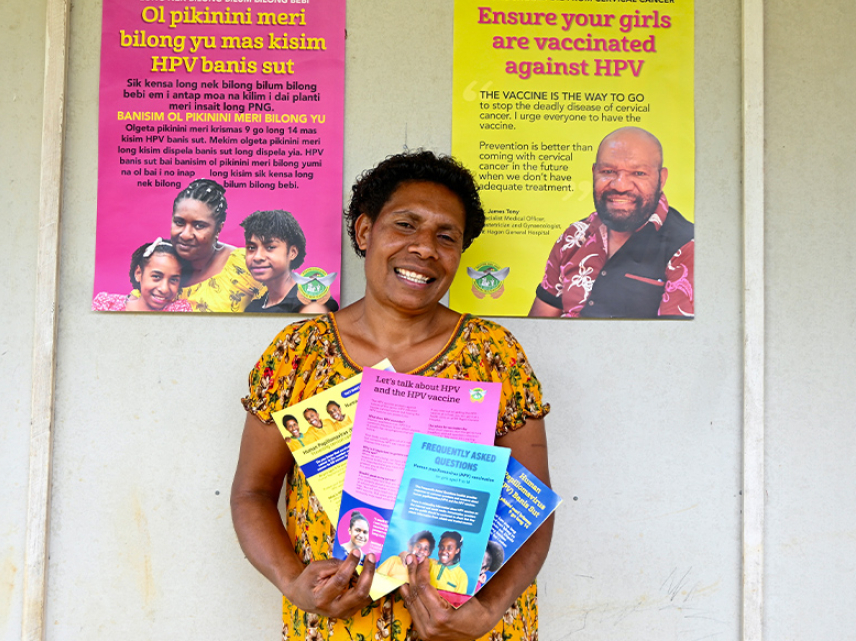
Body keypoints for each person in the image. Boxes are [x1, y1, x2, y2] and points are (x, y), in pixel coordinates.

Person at [232, 150, 552, 641]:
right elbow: (253, 492)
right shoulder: (298, 353)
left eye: (447, 236)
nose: (425, 248)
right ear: (364, 232)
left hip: (465, 629)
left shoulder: (493, 354)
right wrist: (292, 582)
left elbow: (532, 509)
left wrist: (487, 612)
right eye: (406, 225)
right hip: (336, 626)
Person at [529, 126, 694, 319]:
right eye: (608, 171)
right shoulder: (574, 237)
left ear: (662, 178)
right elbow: (539, 330)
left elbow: (674, 343)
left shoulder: (687, 247)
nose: (620, 185)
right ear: (594, 173)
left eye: (638, 173)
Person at [170, 179, 263, 312]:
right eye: (179, 222)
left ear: (218, 229)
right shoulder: (161, 262)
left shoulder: (244, 265)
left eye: (199, 226)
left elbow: (289, 303)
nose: (185, 234)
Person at [240, 210, 339, 314]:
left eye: (270, 247)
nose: (257, 257)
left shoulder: (311, 305)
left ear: (293, 252)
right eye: (251, 247)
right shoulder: (253, 308)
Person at [92, 238, 192, 312]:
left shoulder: (179, 310)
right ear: (138, 273)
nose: (164, 289)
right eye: (156, 277)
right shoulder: (106, 305)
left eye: (173, 280)